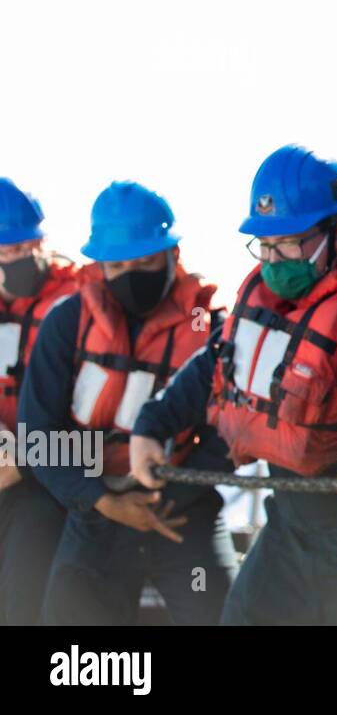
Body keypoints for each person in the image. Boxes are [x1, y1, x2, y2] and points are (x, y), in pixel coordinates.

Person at [130, 145, 337, 625]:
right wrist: (150, 426)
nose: (273, 259)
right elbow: (214, 365)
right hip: (289, 531)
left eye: (287, 243)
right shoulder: (264, 304)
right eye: (264, 245)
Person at [21, 181, 237, 624]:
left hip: (182, 512)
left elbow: (229, 430)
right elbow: (37, 433)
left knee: (220, 613)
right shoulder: (68, 322)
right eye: (117, 265)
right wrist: (100, 499)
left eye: (146, 262)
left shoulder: (213, 327)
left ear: (173, 256)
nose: (131, 276)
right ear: (99, 266)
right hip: (94, 509)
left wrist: (167, 497)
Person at [0, 178, 79, 624]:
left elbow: (102, 436)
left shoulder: (78, 309)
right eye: (6, 251)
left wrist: (24, 459)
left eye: (27, 246)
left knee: (23, 607)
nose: (19, 259)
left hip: (49, 487)